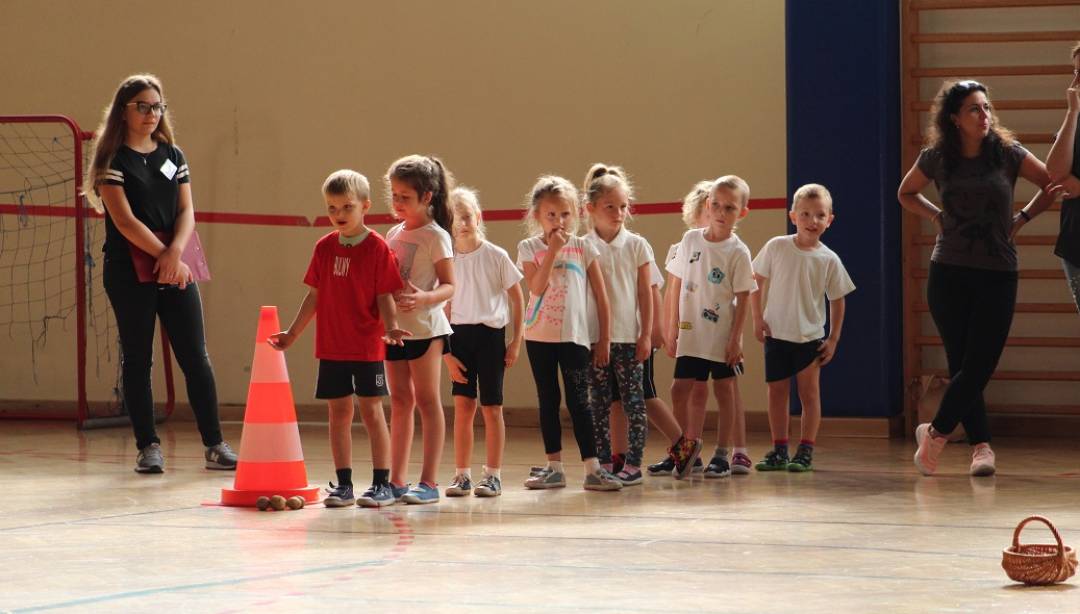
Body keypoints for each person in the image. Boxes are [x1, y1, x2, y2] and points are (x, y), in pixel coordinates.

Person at [898, 80, 1059, 477]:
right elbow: (906, 192)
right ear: (954, 118)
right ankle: (981, 446)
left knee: (981, 363)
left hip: (998, 272)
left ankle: (934, 435)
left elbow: (1051, 184)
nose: (984, 116)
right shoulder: (937, 157)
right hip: (948, 274)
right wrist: (936, 216)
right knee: (963, 364)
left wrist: (1021, 219)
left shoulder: (1007, 153)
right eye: (974, 109)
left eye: (986, 108)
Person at [83, 74, 236, 474]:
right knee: (138, 357)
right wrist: (164, 255)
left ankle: (215, 444)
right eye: (143, 107)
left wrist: (175, 254)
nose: (152, 114)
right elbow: (127, 222)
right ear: (124, 110)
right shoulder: (113, 161)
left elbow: (187, 211)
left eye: (158, 107)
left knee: (196, 356)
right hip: (129, 268)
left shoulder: (173, 155)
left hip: (176, 263)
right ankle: (148, 446)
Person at [268, 170, 408, 507]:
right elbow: (314, 296)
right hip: (331, 345)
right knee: (338, 415)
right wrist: (293, 333)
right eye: (332, 208)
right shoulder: (324, 248)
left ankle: (381, 483)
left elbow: (384, 295)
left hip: (366, 346)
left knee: (372, 412)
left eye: (347, 207)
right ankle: (344, 484)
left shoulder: (377, 248)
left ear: (365, 206)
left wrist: (390, 327)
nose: (339, 215)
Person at [517, 176, 622, 491]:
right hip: (539, 338)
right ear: (537, 216)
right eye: (551, 215)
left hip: (575, 338)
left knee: (580, 403)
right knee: (548, 400)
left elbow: (602, 298)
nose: (558, 221)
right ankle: (554, 467)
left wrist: (603, 339)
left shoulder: (584, 247)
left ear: (575, 213)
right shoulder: (528, 248)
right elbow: (536, 288)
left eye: (564, 214)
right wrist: (551, 251)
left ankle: (593, 469)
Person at [752, 183, 854, 473]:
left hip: (809, 339)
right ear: (793, 216)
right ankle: (779, 449)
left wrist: (833, 338)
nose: (812, 221)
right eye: (805, 214)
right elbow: (755, 282)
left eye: (819, 215)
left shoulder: (829, 259)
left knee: (809, 395)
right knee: (776, 393)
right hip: (776, 335)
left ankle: (806, 449)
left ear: (829, 220)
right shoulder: (776, 246)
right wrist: (757, 319)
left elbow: (838, 300)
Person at [665, 176, 756, 479]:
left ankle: (722, 453)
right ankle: (685, 450)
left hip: (721, 336)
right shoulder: (690, 240)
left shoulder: (738, 252)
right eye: (715, 205)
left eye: (729, 208)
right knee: (679, 390)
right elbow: (676, 285)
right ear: (707, 205)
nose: (720, 212)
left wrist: (736, 340)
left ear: (741, 212)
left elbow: (743, 298)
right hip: (692, 333)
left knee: (725, 390)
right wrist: (673, 327)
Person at [442, 187, 524, 498]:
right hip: (458, 338)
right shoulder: (446, 260)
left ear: (478, 217)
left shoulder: (496, 256)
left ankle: (493, 475)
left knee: (492, 408)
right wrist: (446, 354)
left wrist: (516, 341)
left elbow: (518, 299)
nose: (461, 223)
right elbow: (443, 310)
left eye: (466, 216)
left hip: (491, 337)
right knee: (463, 407)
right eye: (454, 218)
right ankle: (462, 474)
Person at [384, 155, 457, 504]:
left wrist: (426, 298)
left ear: (427, 197)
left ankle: (428, 482)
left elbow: (449, 286)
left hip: (426, 331)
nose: (397, 203)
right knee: (399, 401)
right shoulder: (393, 233)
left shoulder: (436, 236)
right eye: (394, 195)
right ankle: (396, 479)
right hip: (395, 330)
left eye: (405, 197)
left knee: (427, 401)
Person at [581, 164, 653, 486]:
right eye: (610, 206)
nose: (619, 213)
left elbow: (645, 293)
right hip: (595, 340)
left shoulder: (637, 245)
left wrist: (647, 334)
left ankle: (634, 464)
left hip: (628, 337)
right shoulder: (582, 246)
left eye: (623, 206)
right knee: (598, 404)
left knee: (634, 403)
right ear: (591, 208)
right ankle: (606, 463)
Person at [1045, 43, 1080, 312]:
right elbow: (1055, 172)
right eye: (1075, 72)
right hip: (1075, 242)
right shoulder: (1075, 120)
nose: (1076, 82)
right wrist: (1072, 113)